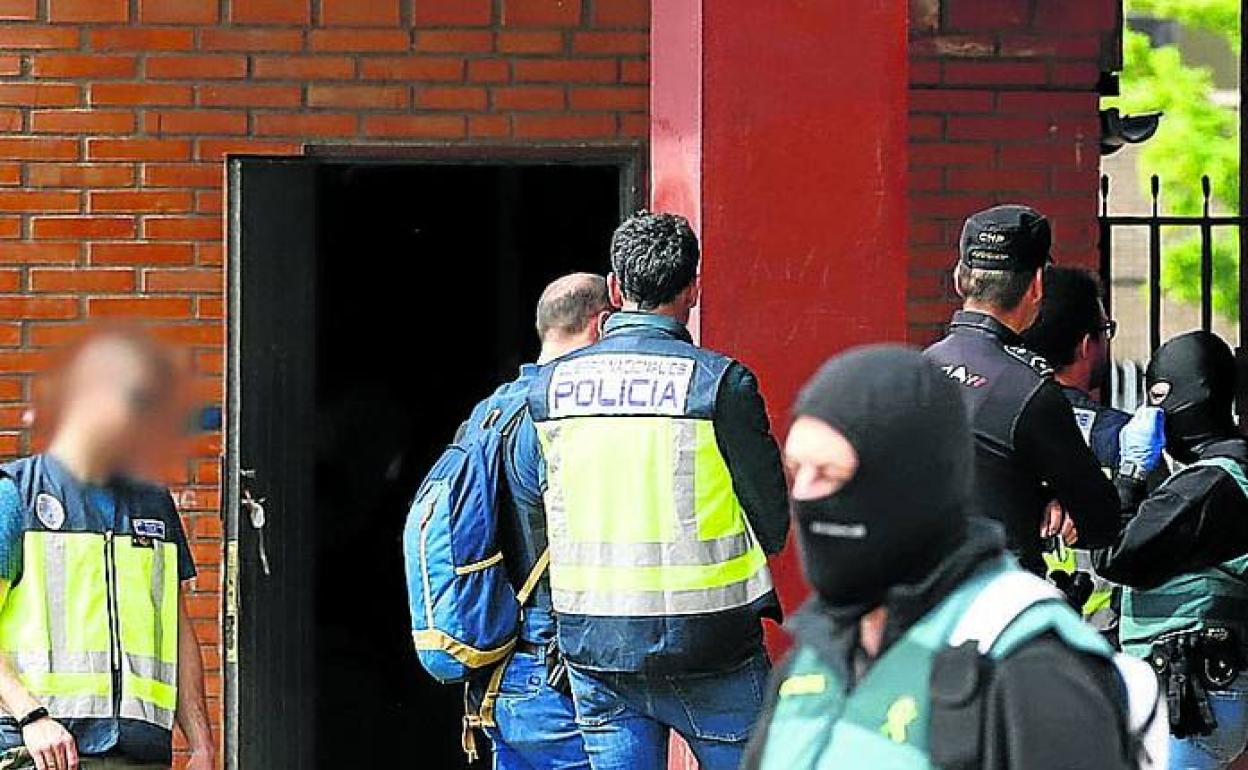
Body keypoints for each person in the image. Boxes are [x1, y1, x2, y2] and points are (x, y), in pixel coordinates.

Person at [745, 345, 1154, 770]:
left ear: (906, 482)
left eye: (829, 473)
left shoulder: (1032, 669)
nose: (804, 496)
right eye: (797, 471)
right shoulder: (813, 660)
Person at [527, 212, 789, 770]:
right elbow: (771, 520)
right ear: (693, 288)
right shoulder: (719, 382)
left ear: (617, 290)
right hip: (713, 647)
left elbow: (536, 513)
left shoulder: (551, 388)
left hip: (596, 646)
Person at [0, 330, 213, 770]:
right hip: (40, 750)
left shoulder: (153, 502)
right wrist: (32, 715)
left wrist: (200, 742)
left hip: (139, 754)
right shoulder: (14, 496)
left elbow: (176, 626)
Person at [924, 205, 1163, 574]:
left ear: (959, 278)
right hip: (1000, 603)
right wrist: (1128, 478)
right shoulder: (1029, 391)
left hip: (923, 600)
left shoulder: (916, 372)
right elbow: (1102, 520)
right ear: (1037, 286)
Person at [465, 273, 612, 770]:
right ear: (602, 325)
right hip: (556, 675)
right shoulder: (563, 418)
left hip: (499, 674)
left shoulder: (491, 411)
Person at [1095, 331, 1248, 769]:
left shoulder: (1209, 484)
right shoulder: (1222, 476)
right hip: (1206, 688)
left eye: (1159, 399)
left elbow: (1117, 553)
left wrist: (1128, 474)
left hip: (1194, 695)